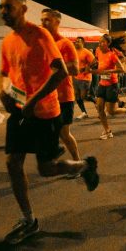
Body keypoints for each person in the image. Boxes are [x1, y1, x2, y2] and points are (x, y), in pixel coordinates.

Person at [0, 0, 99, 245]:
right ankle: (29, 219)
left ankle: (84, 165)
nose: (3, 12)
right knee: (13, 162)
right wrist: (2, 91)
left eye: (7, 7)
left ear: (22, 8)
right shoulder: (7, 41)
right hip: (20, 112)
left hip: (45, 112)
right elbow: (4, 73)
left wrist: (34, 99)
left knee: (46, 169)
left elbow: (62, 72)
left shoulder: (40, 36)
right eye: (1, 8)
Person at [41, 9, 82, 164]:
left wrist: (56, 66)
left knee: (64, 133)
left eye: (47, 20)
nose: (43, 23)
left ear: (57, 22)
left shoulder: (65, 44)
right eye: (42, 20)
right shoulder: (42, 43)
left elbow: (75, 69)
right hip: (47, 97)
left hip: (64, 96)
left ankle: (78, 163)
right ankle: (55, 149)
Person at [92, 34, 126, 139]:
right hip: (102, 84)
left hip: (112, 85)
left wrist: (110, 70)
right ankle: (107, 131)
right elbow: (96, 60)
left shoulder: (112, 55)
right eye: (99, 42)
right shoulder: (98, 50)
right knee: (100, 108)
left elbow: (121, 69)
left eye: (103, 42)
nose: (100, 44)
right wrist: (90, 66)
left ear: (108, 43)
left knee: (111, 111)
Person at [73, 37, 95, 120]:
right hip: (75, 77)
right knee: (77, 96)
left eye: (78, 41)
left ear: (82, 43)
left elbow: (94, 62)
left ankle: (96, 102)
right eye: (75, 41)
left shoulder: (87, 52)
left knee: (84, 96)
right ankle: (84, 112)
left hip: (85, 77)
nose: (76, 43)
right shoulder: (74, 52)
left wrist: (87, 68)